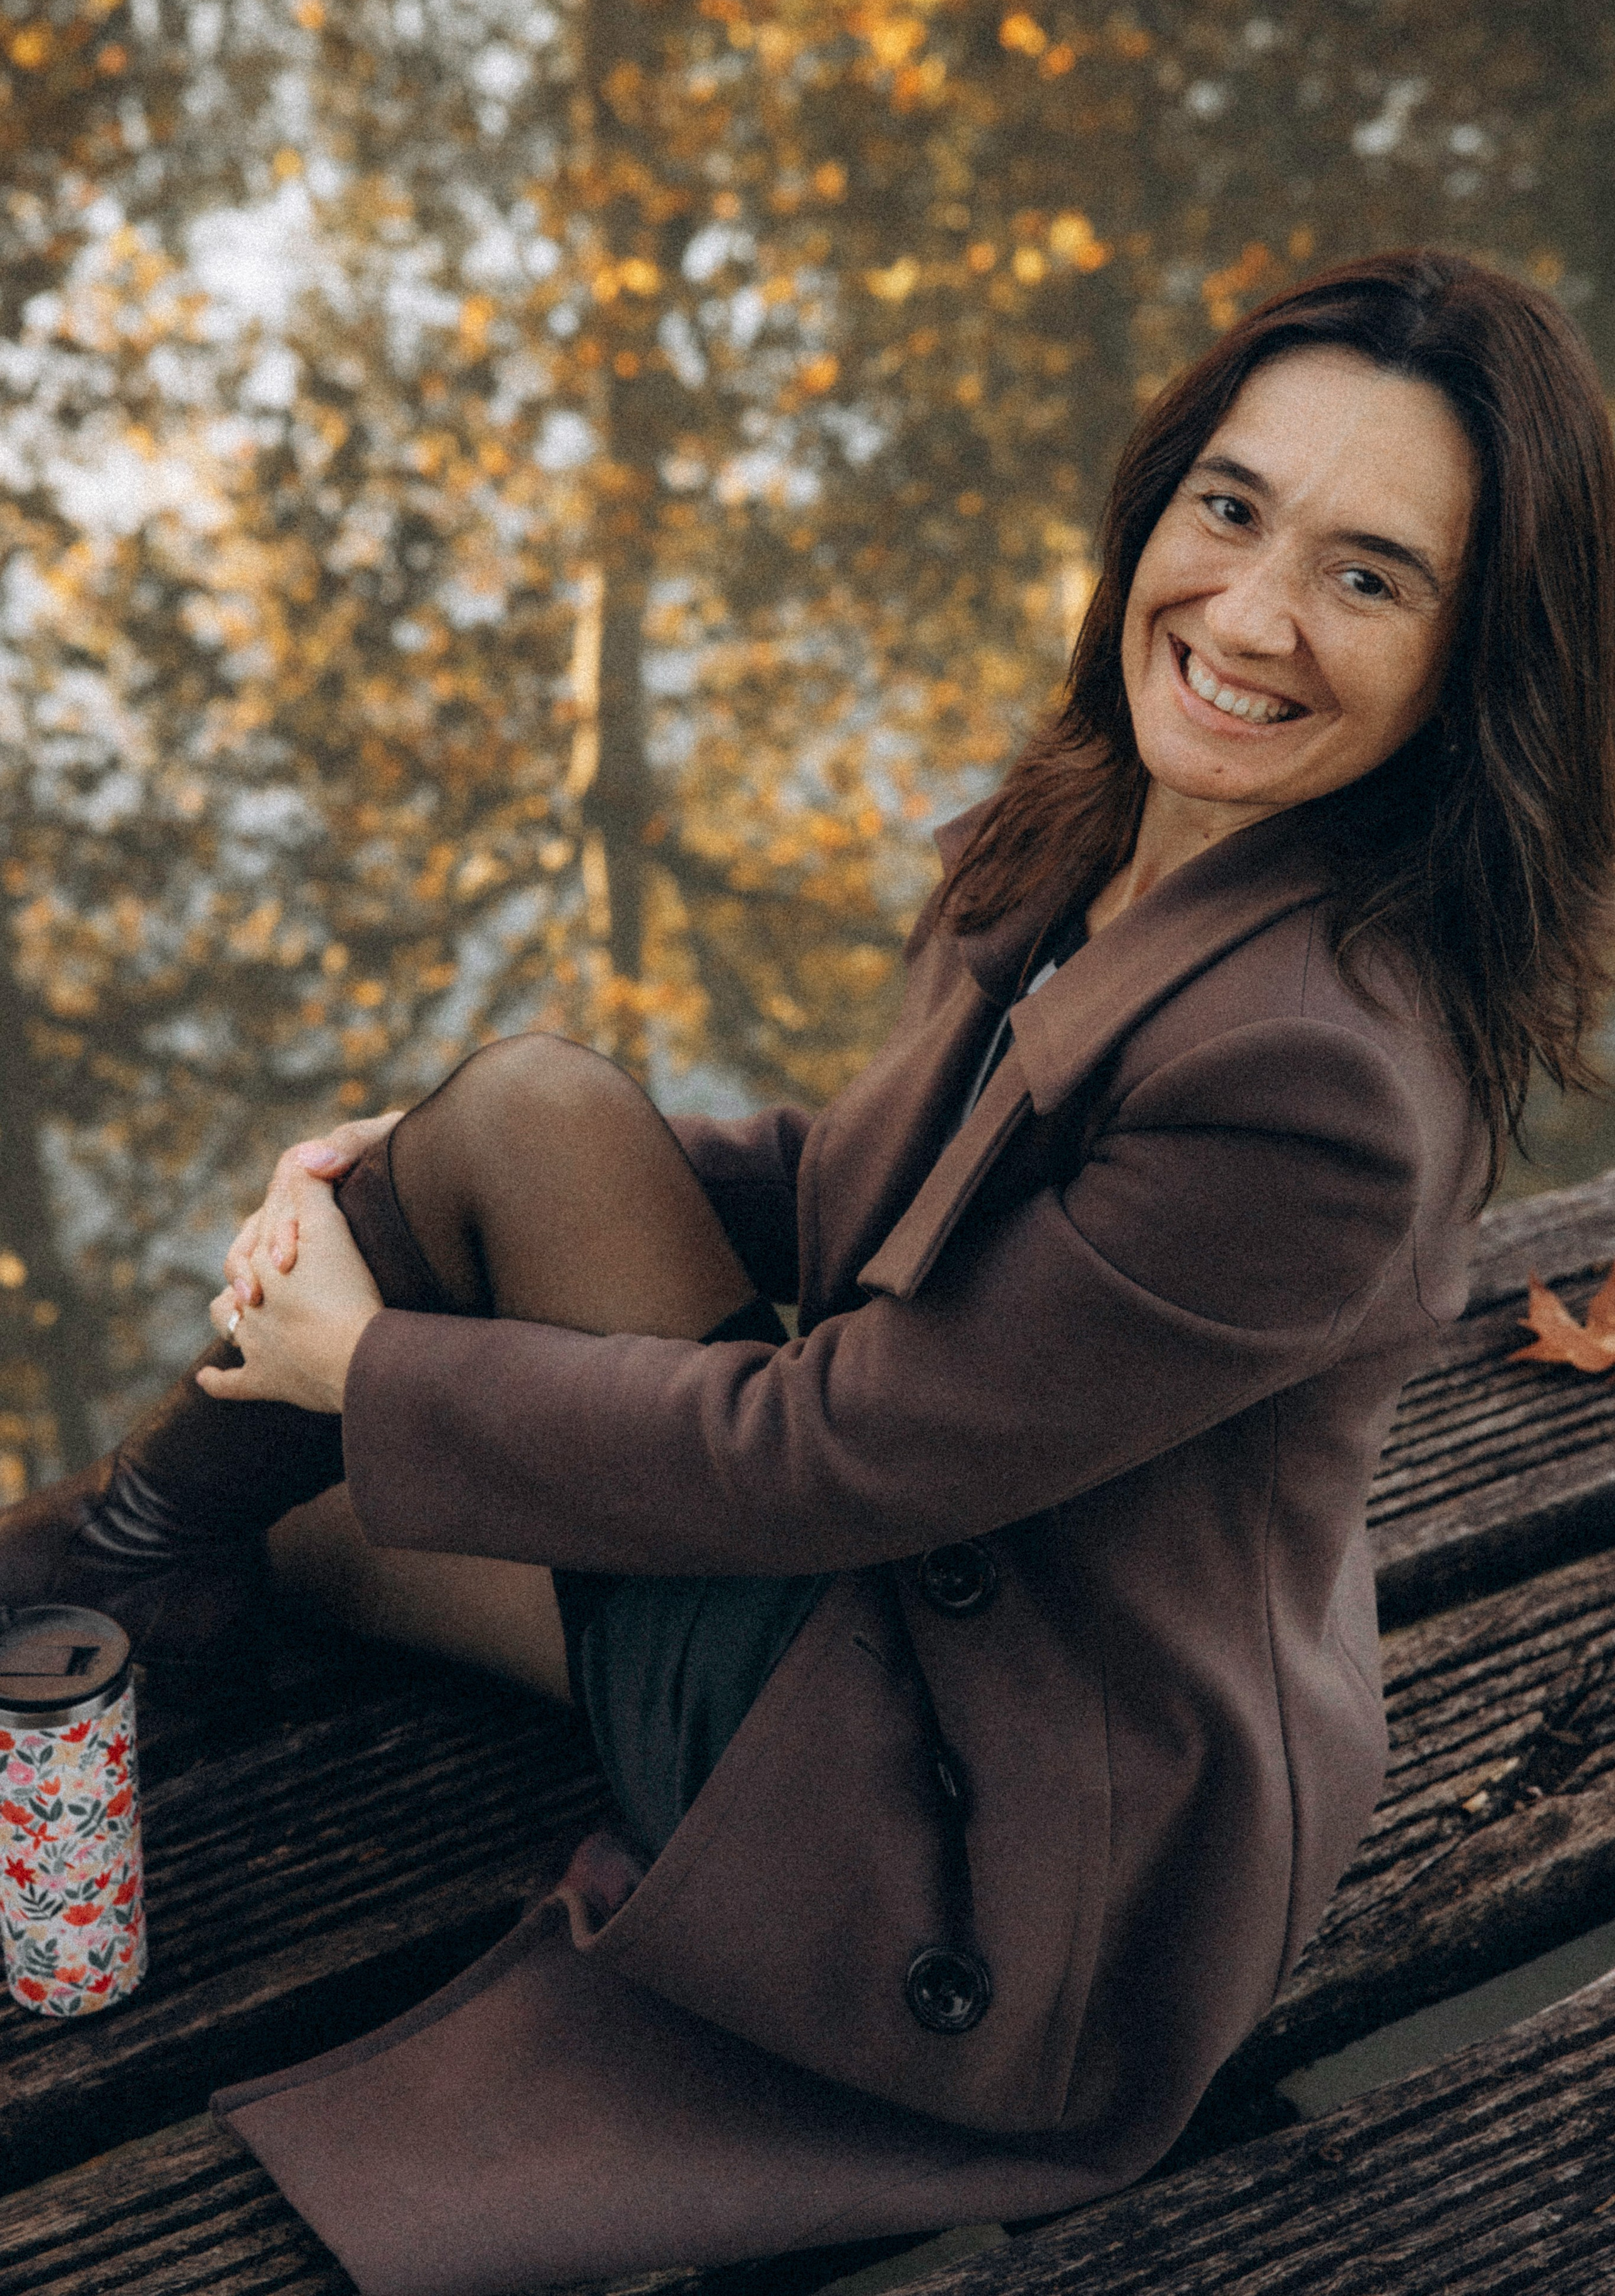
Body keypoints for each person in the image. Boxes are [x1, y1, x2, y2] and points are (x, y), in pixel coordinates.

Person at [4, 249, 1613, 2295]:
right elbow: (851, 1178)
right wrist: (380, 1194)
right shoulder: (1121, 836)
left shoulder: (1320, 1082)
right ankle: (141, 1557)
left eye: (1372, 576)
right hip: (927, 1615)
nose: (1254, 613)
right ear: (1158, 506)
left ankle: (102, 1557)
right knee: (310, 1515)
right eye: (1233, 508)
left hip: (1005, 1838)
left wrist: (373, 1358)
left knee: (509, 1137)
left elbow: (831, 1456)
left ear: (1481, 654)